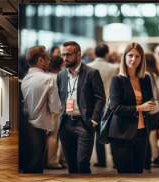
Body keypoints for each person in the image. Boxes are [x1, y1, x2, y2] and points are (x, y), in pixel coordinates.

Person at [57, 41, 106, 174]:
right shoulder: (61, 75)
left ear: (78, 55)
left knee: (82, 164)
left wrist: (94, 120)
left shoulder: (91, 73)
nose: (65, 58)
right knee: (71, 166)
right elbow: (59, 98)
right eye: (63, 55)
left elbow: (100, 98)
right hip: (65, 123)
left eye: (68, 54)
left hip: (84, 123)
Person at [108, 42, 154, 174]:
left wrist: (151, 104)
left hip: (141, 132)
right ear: (124, 57)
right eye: (130, 55)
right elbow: (115, 107)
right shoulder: (117, 80)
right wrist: (140, 107)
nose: (133, 59)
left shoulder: (145, 79)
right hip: (122, 134)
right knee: (125, 175)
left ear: (142, 59)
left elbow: (149, 99)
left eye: (137, 56)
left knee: (138, 172)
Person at [21, 46, 62, 173]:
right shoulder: (48, 79)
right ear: (40, 60)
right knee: (36, 165)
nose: (49, 61)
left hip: (26, 126)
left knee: (28, 164)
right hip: (40, 127)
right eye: (47, 59)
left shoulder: (25, 79)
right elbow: (56, 106)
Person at [88, 43, 119, 168]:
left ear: (95, 53)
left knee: (98, 134)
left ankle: (101, 161)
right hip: (110, 104)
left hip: (94, 105)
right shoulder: (114, 68)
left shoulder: (88, 66)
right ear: (107, 54)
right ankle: (117, 161)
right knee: (113, 133)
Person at [144, 53, 159, 171]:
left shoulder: (146, 74)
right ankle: (158, 155)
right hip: (158, 107)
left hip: (150, 109)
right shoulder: (158, 73)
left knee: (147, 136)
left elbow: (152, 94)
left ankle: (151, 159)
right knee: (154, 134)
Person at [46, 55, 67, 170]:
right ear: (61, 65)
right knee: (54, 136)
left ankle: (55, 160)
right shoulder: (60, 77)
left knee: (51, 136)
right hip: (57, 110)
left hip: (48, 109)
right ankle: (53, 161)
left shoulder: (47, 76)